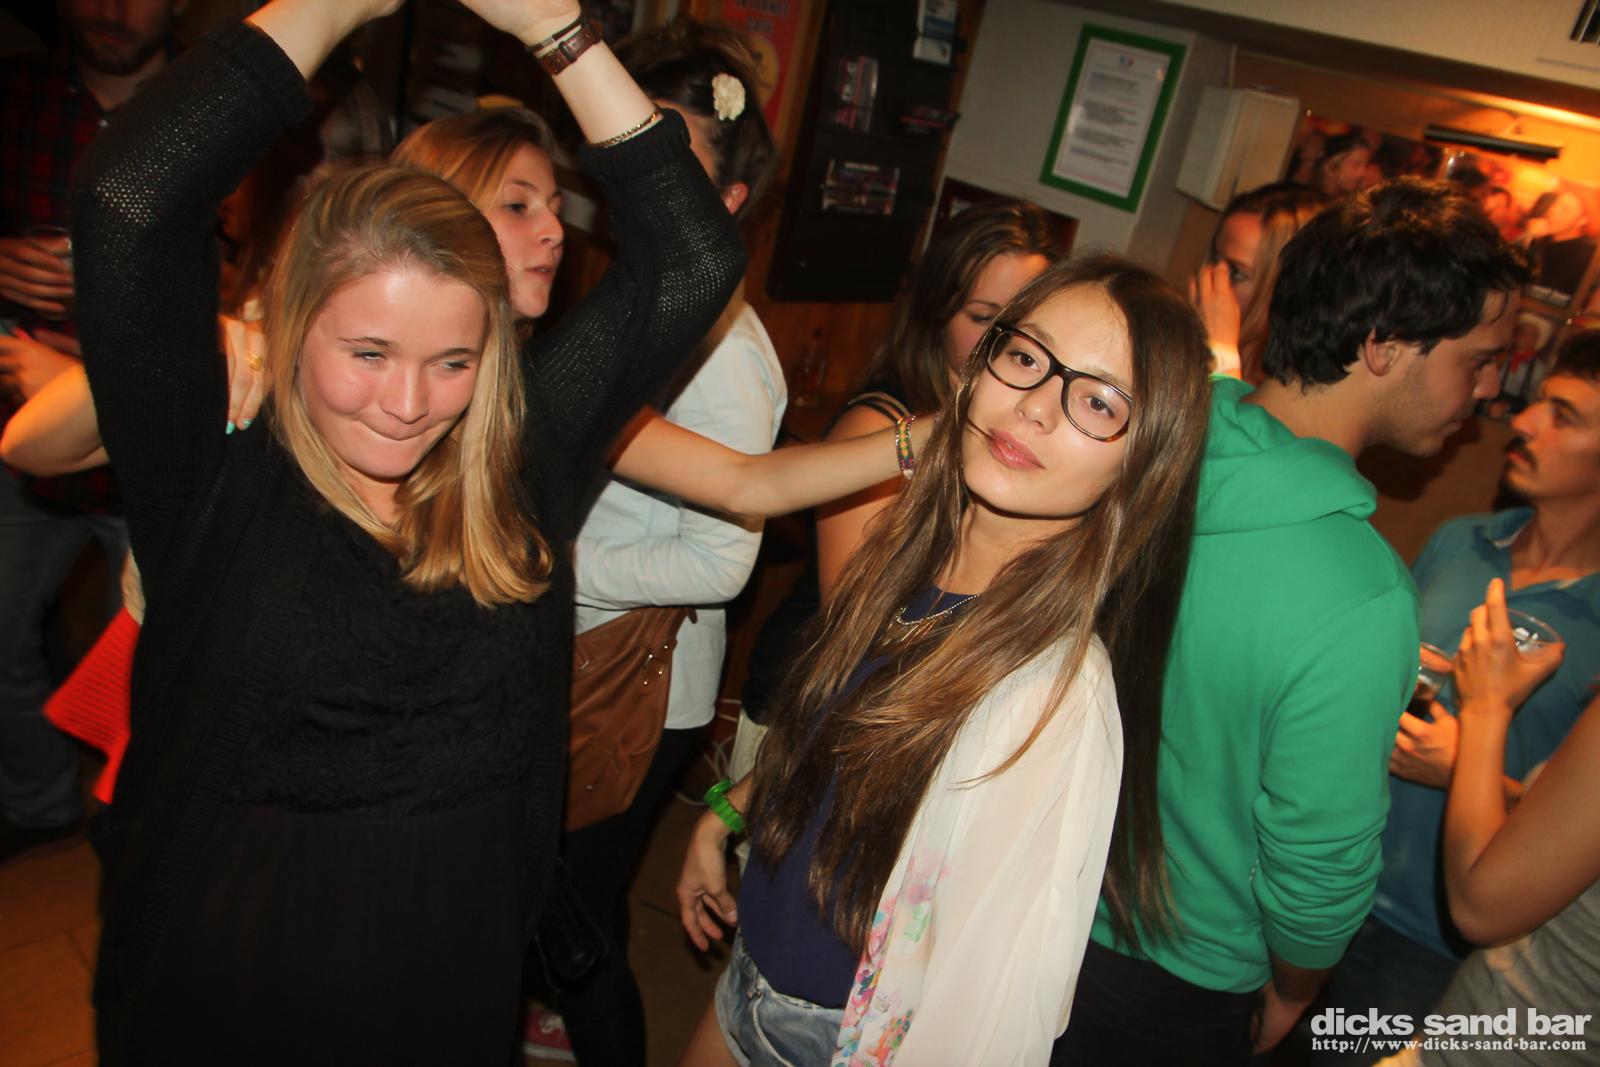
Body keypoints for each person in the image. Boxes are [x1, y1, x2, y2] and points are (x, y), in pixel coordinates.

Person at [69, 0, 752, 1058]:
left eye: (451, 362)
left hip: (447, 982)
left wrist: (556, 28)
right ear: (294, 324)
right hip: (221, 982)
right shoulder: (213, 478)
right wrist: (337, 4)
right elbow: (129, 197)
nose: (406, 403)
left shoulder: (516, 465)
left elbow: (694, 254)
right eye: (369, 352)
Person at [675, 254, 1214, 1065]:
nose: (1034, 406)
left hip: (843, 1039)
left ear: (1144, 464)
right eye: (1025, 356)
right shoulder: (903, 552)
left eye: (1098, 402)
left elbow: (988, 1015)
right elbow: (841, 734)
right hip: (748, 979)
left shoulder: (1051, 695)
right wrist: (726, 811)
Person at [1053, 178, 1529, 1067]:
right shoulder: (1361, 595)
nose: (1491, 387)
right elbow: (1316, 870)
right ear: (1384, 345)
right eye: (1479, 359)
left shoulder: (1141, 443)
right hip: (1170, 984)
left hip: (1029, 894)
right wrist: (1297, 988)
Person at [529, 19, 785, 1066]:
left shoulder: (726, 355)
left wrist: (552, 567)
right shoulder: (643, 303)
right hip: (596, 653)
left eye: (673, 160)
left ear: (729, 200)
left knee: (577, 919)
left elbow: (723, 560)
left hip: (636, 679)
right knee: (552, 899)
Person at [1321, 329, 1600, 1061]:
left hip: (1436, 941)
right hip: (1336, 878)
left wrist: (1465, 766)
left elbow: (1575, 831)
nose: (1522, 421)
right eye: (1537, 403)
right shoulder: (1462, 539)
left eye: (1564, 416)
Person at [732, 198, 1060, 784]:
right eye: (983, 317)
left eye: (1023, 325)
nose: (1005, 343)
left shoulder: (1029, 434)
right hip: (811, 722)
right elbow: (859, 630)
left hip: (903, 728)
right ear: (936, 314)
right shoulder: (882, 427)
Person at [0, 0, 186, 865]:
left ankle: (137, 832)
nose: (112, 7)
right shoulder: (14, 98)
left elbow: (275, 287)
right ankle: (38, 804)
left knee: (156, 674)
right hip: (25, 435)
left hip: (160, 456)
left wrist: (118, 348)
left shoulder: (223, 111)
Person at [1374, 579, 1592, 1067]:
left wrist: (1486, 707)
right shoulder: (1457, 543)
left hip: (1491, 1018)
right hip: (1368, 880)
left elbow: (1481, 910)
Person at [1190, 181, 1327, 383]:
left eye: (1235, 272)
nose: (1211, 281)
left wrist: (1222, 357)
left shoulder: (1283, 391)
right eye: (1214, 258)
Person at [1521, 188, 1597, 306]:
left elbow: (1543, 289)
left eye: (1565, 209)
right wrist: (1528, 238)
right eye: (1555, 205)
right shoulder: (1543, 239)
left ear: (1581, 221)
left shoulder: (1585, 252)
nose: (1553, 211)